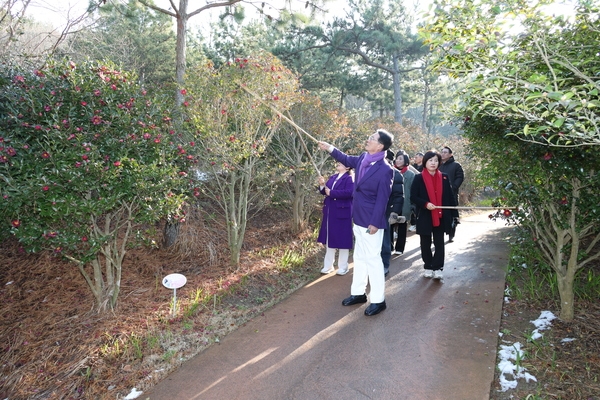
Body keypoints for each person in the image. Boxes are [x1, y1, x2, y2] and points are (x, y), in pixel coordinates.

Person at [317, 129, 394, 316]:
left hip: (371, 223)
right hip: (357, 218)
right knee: (359, 257)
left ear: (380, 146)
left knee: (373, 260)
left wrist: (375, 222)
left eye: (372, 139)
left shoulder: (385, 170)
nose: (368, 140)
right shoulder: (362, 159)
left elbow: (383, 199)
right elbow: (345, 158)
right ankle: (358, 293)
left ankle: (378, 300)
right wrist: (329, 148)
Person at [410, 150, 458, 280]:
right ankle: (428, 266)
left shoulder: (444, 177)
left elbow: (450, 196)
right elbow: (413, 196)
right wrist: (425, 204)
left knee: (439, 242)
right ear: (425, 162)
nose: (433, 163)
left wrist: (455, 213)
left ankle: (438, 267)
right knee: (425, 242)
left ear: (439, 163)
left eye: (436, 160)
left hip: (441, 215)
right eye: (430, 160)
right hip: (425, 215)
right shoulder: (419, 178)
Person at [317, 162, 354, 275]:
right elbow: (325, 191)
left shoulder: (350, 178)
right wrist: (322, 185)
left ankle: (343, 266)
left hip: (343, 212)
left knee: (343, 239)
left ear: (347, 167)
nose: (337, 164)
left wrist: (332, 192)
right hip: (330, 212)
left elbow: (350, 193)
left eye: (340, 163)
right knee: (329, 238)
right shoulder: (333, 177)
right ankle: (328, 266)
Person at [381, 150, 404, 276]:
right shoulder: (370, 171)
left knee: (385, 240)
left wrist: (394, 212)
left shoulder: (395, 174)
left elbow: (399, 196)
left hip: (385, 211)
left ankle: (384, 264)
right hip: (369, 212)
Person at [439, 146, 464, 242]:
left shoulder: (456, 165)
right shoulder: (438, 165)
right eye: (442, 152)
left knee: (451, 215)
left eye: (445, 152)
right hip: (439, 194)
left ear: (450, 154)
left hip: (451, 194)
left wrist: (453, 187)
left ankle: (451, 234)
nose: (443, 154)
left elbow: (460, 177)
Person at [392, 151, 415, 255]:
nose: (398, 160)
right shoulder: (391, 172)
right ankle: (390, 247)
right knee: (390, 224)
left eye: (401, 158)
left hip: (405, 203)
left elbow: (413, 190)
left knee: (402, 225)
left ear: (406, 160)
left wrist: (412, 205)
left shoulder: (410, 175)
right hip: (393, 202)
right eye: (397, 158)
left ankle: (400, 248)